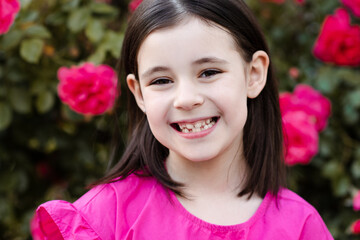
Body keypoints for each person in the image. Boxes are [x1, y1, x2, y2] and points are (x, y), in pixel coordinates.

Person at [32, 0, 334, 239]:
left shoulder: (299, 226)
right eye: (162, 80)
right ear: (139, 94)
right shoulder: (103, 219)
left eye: (209, 73)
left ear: (254, 74)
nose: (186, 99)